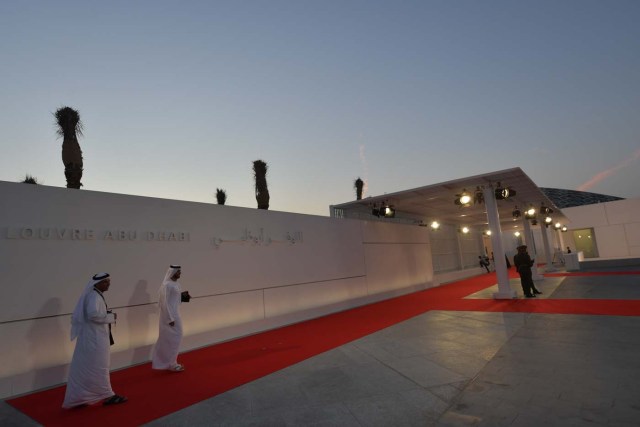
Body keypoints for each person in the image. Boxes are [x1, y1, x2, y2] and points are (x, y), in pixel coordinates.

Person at [62, 273, 127, 408]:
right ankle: (108, 395)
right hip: (95, 340)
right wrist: (110, 316)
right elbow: (93, 315)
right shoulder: (94, 296)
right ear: (96, 284)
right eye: (105, 282)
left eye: (108, 281)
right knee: (100, 367)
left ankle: (81, 397)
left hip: (93, 338)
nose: (108, 284)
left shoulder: (95, 295)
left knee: (90, 368)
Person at [151, 265, 186, 372]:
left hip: (176, 314)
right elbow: (164, 303)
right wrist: (169, 318)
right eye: (178, 272)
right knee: (170, 339)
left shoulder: (176, 284)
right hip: (169, 316)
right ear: (172, 272)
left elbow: (175, 300)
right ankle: (169, 363)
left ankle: (171, 362)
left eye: (180, 271)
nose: (180, 273)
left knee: (176, 339)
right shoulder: (166, 285)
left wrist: (184, 297)